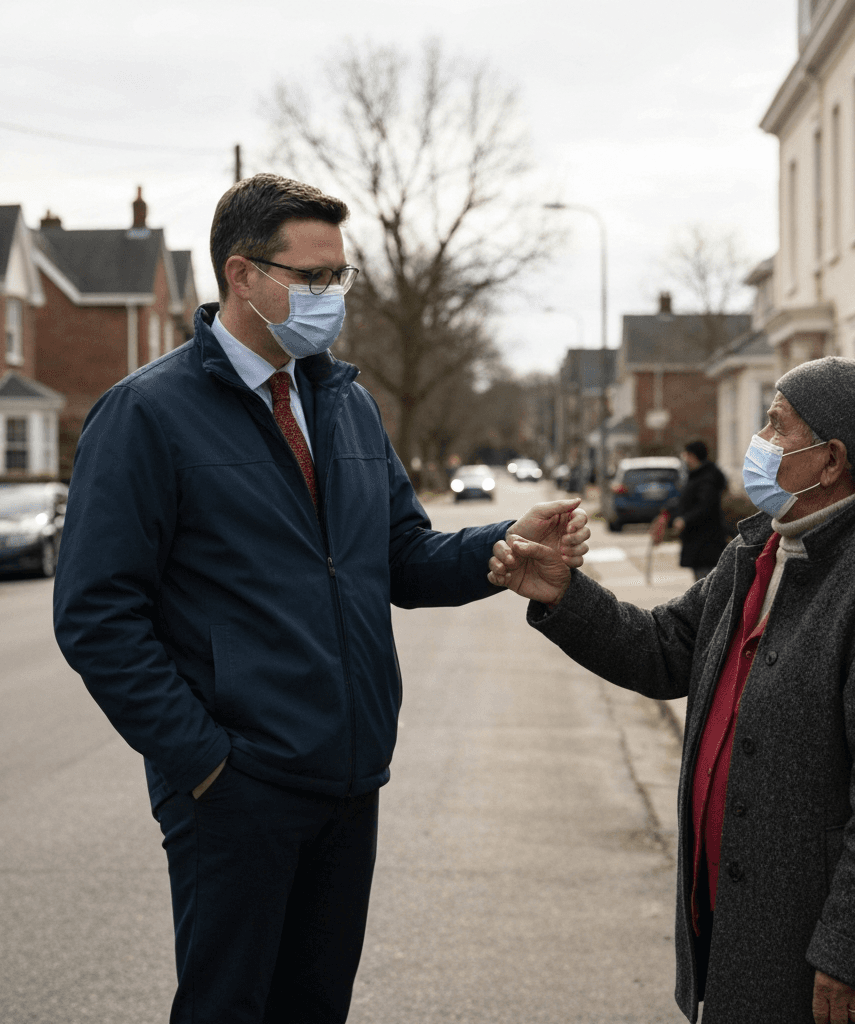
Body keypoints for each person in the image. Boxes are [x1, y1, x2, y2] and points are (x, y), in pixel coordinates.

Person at [52, 173, 590, 1024]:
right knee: (229, 1007)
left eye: (340, 277)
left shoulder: (344, 404)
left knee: (315, 1007)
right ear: (242, 275)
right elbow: (95, 615)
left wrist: (502, 544)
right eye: (312, 278)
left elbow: (399, 558)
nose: (331, 296)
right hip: (235, 788)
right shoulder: (146, 414)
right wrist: (204, 762)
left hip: (348, 779)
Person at [488, 357, 855, 1024]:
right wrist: (563, 594)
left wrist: (853, 953)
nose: (761, 441)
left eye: (777, 427)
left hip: (818, 958)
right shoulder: (761, 553)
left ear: (831, 460)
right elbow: (665, 650)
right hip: (739, 927)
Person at [668, 440, 728, 580]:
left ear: (693, 456)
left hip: (706, 542)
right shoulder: (697, 475)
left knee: (705, 582)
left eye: (686, 454)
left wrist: (685, 520)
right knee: (701, 580)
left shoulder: (706, 478)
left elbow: (705, 506)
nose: (684, 458)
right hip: (698, 540)